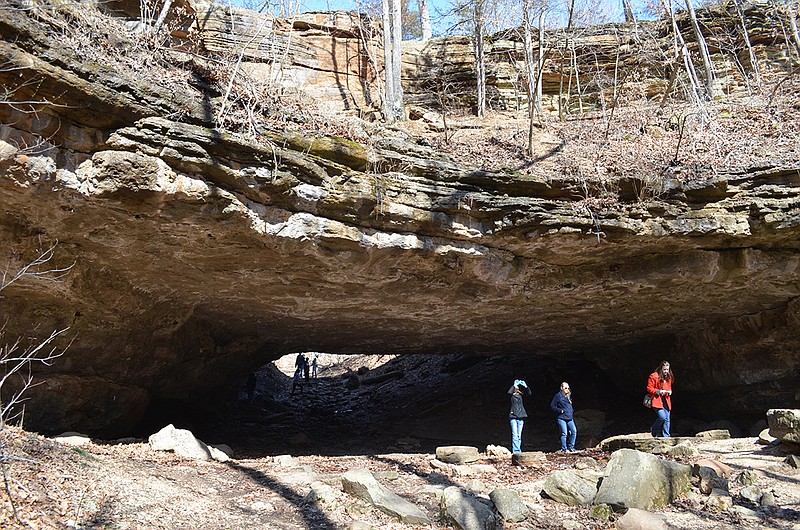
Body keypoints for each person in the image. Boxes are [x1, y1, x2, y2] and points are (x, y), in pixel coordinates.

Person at [647, 360, 674, 438]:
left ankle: (666, 437)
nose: (666, 371)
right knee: (662, 417)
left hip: (666, 399)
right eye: (664, 369)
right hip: (657, 400)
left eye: (667, 369)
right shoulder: (654, 376)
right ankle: (654, 430)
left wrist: (669, 392)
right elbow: (649, 388)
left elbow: (669, 387)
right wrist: (658, 391)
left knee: (667, 419)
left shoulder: (669, 376)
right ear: (661, 368)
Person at [550, 382, 577, 453]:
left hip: (569, 417)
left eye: (568, 388)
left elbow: (570, 406)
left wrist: (571, 411)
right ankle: (564, 449)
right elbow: (552, 406)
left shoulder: (568, 396)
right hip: (561, 417)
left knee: (574, 431)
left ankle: (571, 447)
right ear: (561, 388)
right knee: (564, 433)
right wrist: (560, 411)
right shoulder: (558, 396)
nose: (567, 389)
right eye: (565, 388)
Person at [508, 379, 531, 454]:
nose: (517, 388)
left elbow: (529, 393)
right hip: (513, 416)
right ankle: (516, 451)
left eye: (518, 387)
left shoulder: (521, 395)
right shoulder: (511, 396)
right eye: (516, 387)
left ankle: (518, 450)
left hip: (521, 417)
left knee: (519, 435)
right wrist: (514, 385)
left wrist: (525, 386)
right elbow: (509, 393)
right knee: (515, 435)